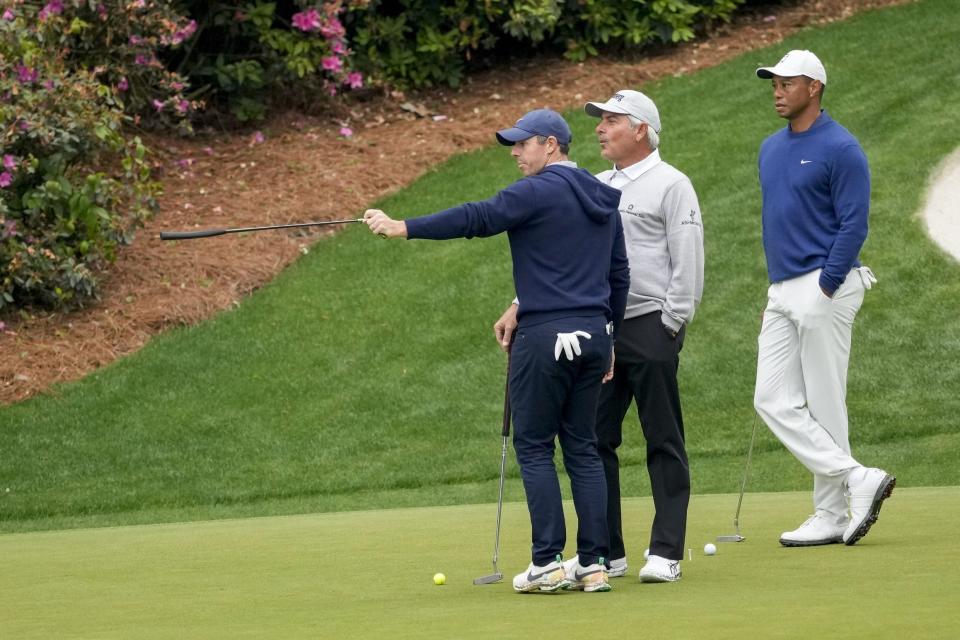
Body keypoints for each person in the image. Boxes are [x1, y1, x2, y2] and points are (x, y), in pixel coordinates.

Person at [364, 108, 630, 593]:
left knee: (533, 447)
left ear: (550, 145)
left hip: (545, 338)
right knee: (583, 450)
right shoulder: (601, 195)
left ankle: (547, 561)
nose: (514, 152)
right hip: (593, 335)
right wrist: (608, 335)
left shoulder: (535, 191)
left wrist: (405, 226)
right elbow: (618, 275)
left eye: (522, 143)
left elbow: (478, 217)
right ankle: (593, 563)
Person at [494, 90, 704, 583]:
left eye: (612, 120)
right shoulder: (592, 184)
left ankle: (666, 550)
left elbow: (688, 261)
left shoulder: (672, 185)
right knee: (593, 442)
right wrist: (522, 304)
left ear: (642, 130)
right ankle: (606, 553)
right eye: (600, 120)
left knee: (663, 439)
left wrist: (671, 326)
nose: (599, 128)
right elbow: (562, 258)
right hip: (598, 330)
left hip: (651, 324)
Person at [752, 50, 894, 547]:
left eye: (786, 83)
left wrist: (826, 286)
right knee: (771, 398)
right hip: (782, 288)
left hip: (826, 285)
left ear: (813, 87)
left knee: (825, 401)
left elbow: (854, 223)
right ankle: (857, 477)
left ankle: (831, 512)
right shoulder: (770, 148)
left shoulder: (841, 147)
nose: (776, 91)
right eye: (773, 83)